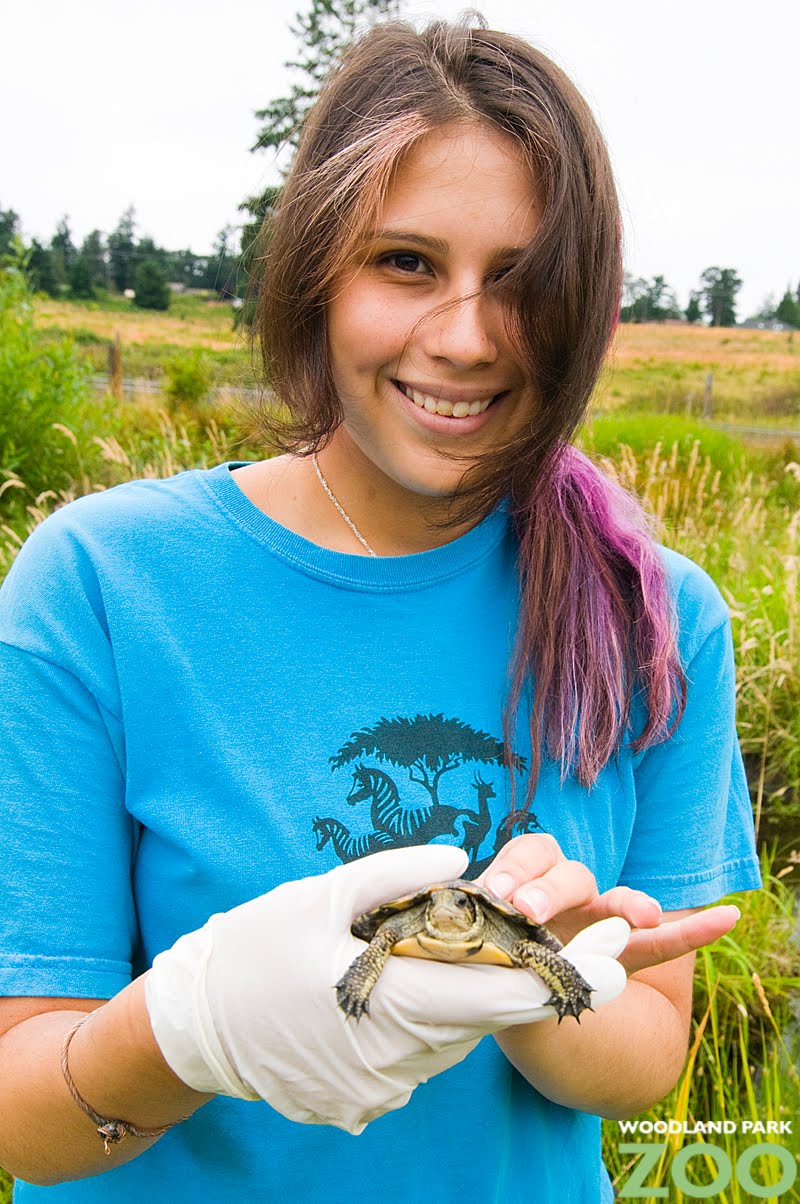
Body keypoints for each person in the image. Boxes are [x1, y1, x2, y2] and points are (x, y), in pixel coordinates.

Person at [0, 17, 760, 1203]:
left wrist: (528, 987)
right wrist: (187, 1029)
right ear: (315, 272)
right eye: (405, 262)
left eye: (519, 280)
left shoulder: (655, 617)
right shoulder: (99, 584)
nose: (461, 337)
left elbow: (646, 1055)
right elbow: (22, 1123)